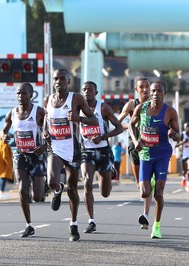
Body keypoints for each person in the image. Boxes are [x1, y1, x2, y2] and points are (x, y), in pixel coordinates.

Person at [43, 69, 98, 241]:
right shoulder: (48, 100)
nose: (58, 81)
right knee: (51, 180)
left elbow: (93, 120)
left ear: (68, 81)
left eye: (62, 79)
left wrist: (78, 118)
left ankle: (73, 225)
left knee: (73, 188)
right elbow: (47, 119)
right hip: (55, 147)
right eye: (55, 79)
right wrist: (45, 132)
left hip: (73, 149)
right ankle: (58, 190)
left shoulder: (76, 99)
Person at [129, 81, 180, 239]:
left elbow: (178, 136)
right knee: (145, 193)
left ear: (164, 93)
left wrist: (173, 134)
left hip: (162, 155)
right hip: (145, 154)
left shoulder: (170, 112)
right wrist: (136, 141)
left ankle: (156, 226)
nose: (155, 93)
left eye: (159, 91)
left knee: (158, 193)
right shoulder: (141, 108)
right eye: (153, 91)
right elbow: (131, 125)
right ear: (149, 93)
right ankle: (151, 182)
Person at [1, 82, 47, 238]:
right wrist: (4, 136)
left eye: (24, 93)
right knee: (22, 188)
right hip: (20, 154)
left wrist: (45, 146)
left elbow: (51, 131)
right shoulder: (12, 113)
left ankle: (46, 185)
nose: (20, 96)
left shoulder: (40, 112)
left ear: (31, 95)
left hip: (36, 155)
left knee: (37, 197)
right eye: (18, 93)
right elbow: (3, 130)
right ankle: (28, 225)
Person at [79, 81, 123, 233]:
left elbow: (119, 128)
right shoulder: (77, 109)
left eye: (90, 90)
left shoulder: (103, 108)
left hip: (103, 151)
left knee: (105, 193)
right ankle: (91, 221)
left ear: (96, 93)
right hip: (87, 152)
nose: (87, 92)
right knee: (87, 183)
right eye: (84, 89)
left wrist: (103, 136)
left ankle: (110, 171)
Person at [118, 77, 153, 230]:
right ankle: (145, 203)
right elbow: (118, 122)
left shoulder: (155, 104)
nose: (145, 90)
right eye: (142, 87)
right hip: (135, 146)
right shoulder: (132, 104)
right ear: (136, 90)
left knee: (148, 182)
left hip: (151, 147)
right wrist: (131, 124)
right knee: (140, 184)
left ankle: (145, 215)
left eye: (147, 87)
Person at [174, 122, 189, 192]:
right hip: (184, 155)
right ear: (184, 128)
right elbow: (176, 145)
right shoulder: (182, 135)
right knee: (184, 171)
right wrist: (183, 142)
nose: (188, 128)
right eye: (186, 127)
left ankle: (188, 184)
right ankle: (184, 178)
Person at [0, 130, 14, 199]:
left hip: (1, 163)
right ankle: (1, 193)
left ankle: (1, 192)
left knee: (2, 178)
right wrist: (9, 164)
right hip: (4, 164)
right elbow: (5, 155)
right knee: (3, 178)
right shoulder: (3, 143)